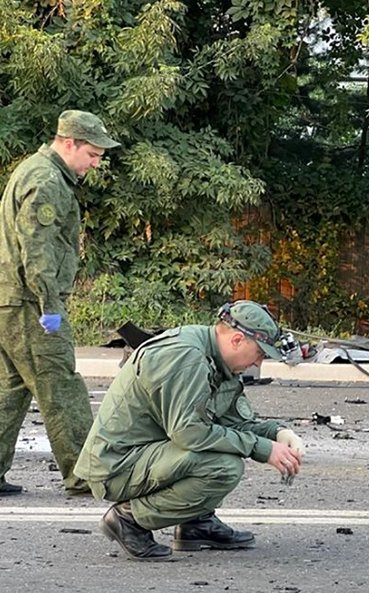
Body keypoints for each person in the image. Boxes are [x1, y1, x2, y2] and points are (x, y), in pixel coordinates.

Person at [74, 300, 306, 561]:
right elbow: (189, 433)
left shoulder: (217, 359)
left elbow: (231, 422)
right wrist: (261, 449)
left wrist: (278, 434)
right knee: (223, 467)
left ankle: (196, 523)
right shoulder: (187, 357)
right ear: (238, 340)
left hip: (146, 454)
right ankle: (129, 519)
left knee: (220, 450)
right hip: (116, 466)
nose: (258, 363)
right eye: (260, 353)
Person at [0, 110, 120, 497]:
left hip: (10, 301)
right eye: (93, 153)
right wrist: (49, 305)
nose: (96, 162)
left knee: (11, 389)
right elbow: (38, 250)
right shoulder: (47, 180)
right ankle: (86, 473)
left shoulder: (33, 171)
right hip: (31, 304)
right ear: (69, 143)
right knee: (61, 387)